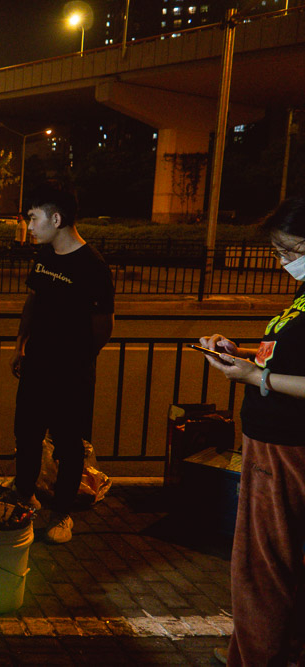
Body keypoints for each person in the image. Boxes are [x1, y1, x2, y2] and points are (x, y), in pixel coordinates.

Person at [198, 197, 305, 667]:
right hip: (270, 444)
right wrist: (239, 353)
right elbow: (289, 358)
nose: (284, 262)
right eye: (278, 252)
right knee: (268, 565)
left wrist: (254, 377)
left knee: (263, 569)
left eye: (290, 250)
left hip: (287, 450)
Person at [9, 185, 114, 544]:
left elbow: (103, 327)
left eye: (33, 218)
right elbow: (33, 300)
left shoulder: (93, 266)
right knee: (26, 435)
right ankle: (24, 498)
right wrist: (21, 343)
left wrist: (76, 361)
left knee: (69, 445)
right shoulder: (44, 257)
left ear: (57, 219)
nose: (29, 226)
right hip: (36, 364)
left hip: (72, 373)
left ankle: (62, 513)